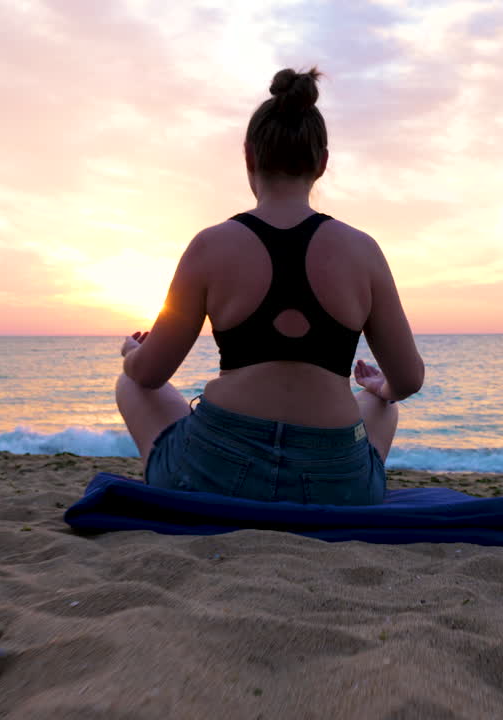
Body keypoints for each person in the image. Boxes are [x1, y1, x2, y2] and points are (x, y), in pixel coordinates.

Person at [115, 67, 424, 506]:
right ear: (322, 162)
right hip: (334, 485)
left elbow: (149, 375)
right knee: (381, 407)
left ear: (249, 156)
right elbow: (408, 379)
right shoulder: (362, 251)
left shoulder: (210, 245)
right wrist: (380, 388)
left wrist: (132, 356)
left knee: (130, 385)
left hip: (216, 473)